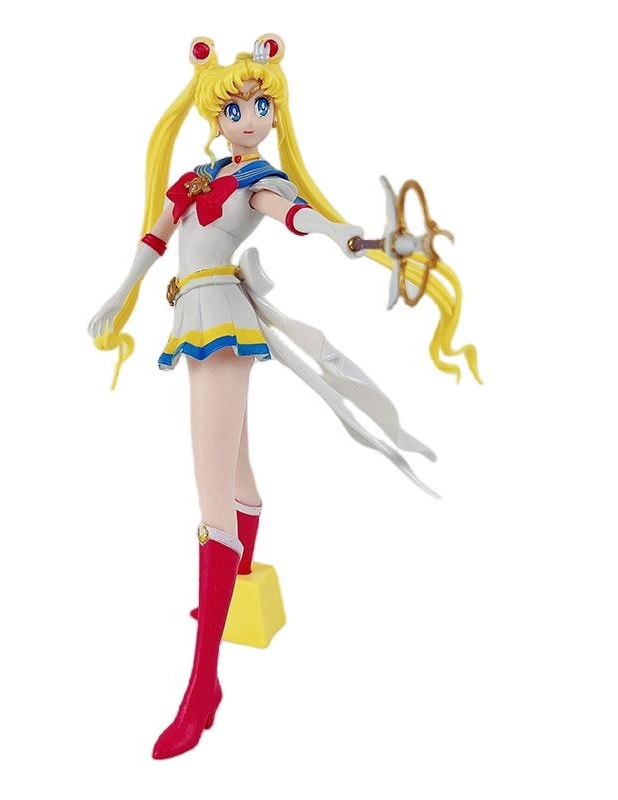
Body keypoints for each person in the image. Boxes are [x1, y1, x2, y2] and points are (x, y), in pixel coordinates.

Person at [87, 34, 479, 759]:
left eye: (262, 105)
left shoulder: (258, 179)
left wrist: (345, 234)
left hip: (217, 321)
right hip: (196, 312)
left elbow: (295, 213)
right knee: (235, 472)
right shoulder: (197, 179)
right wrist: (121, 292)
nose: (252, 117)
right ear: (216, 114)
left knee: (210, 495)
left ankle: (203, 684)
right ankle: (236, 585)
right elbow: (156, 235)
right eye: (238, 107)